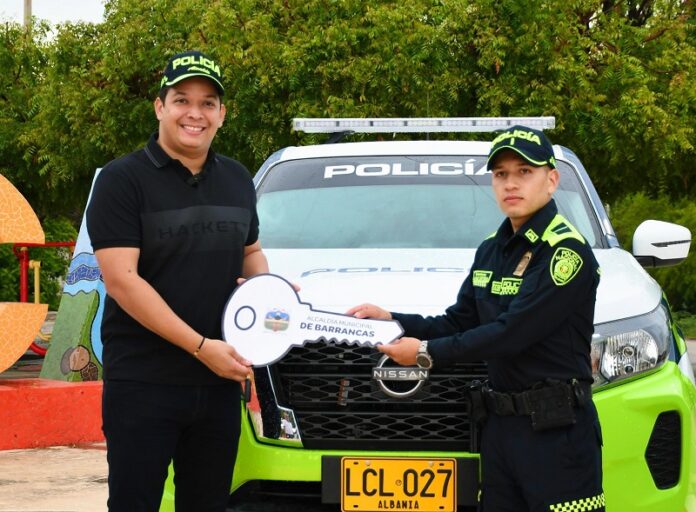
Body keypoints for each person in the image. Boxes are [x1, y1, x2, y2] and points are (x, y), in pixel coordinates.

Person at [348, 125, 604, 512]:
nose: (510, 184)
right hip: (500, 428)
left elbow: (512, 334)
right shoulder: (491, 250)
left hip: (556, 432)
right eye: (500, 174)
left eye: (524, 171)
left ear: (551, 180)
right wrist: (393, 319)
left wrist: (425, 353)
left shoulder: (565, 252)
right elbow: (459, 322)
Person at [86, 50, 269, 512]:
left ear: (222, 114)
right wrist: (201, 348)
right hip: (145, 383)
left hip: (219, 384)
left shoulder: (237, 178)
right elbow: (123, 281)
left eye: (208, 103)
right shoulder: (121, 180)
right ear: (159, 107)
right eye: (182, 99)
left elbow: (250, 253)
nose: (195, 113)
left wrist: (270, 295)